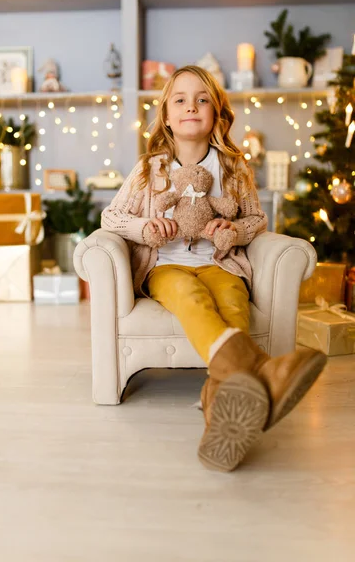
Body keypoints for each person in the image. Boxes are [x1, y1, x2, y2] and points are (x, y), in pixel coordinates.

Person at [101, 65, 327, 472]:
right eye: (181, 99)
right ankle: (258, 369)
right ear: (167, 116)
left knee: (232, 303)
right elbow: (111, 218)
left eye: (203, 99)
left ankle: (217, 406)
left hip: (221, 264)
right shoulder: (150, 167)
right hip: (166, 267)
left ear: (217, 114)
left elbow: (256, 220)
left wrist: (233, 229)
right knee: (191, 299)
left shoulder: (234, 167)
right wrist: (146, 226)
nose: (192, 106)